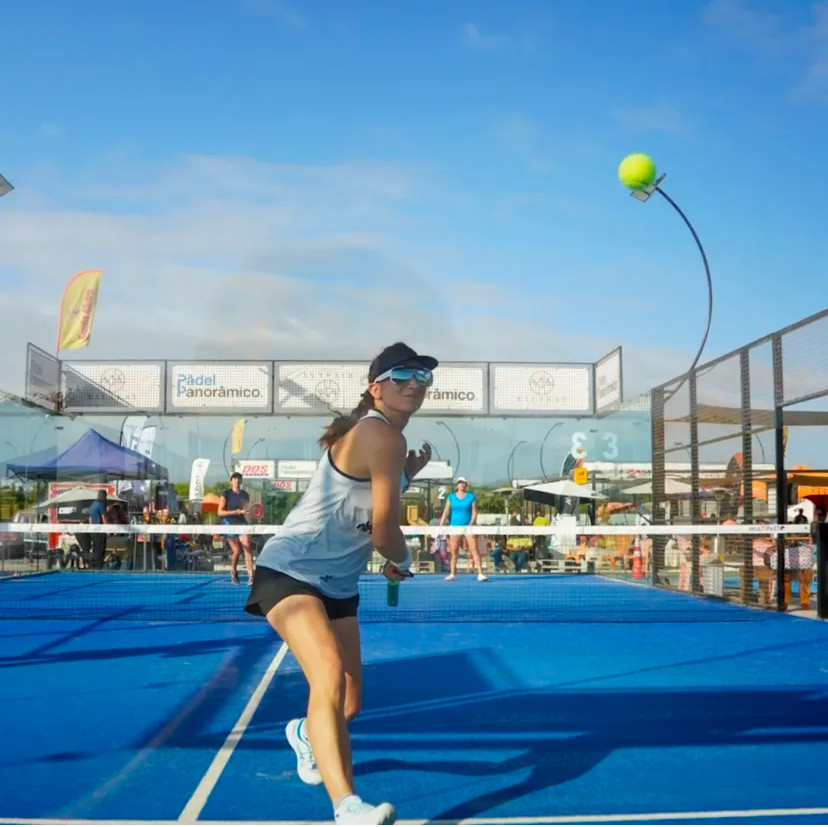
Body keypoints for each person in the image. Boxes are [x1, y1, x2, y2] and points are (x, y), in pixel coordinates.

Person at [244, 342, 437, 825]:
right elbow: (385, 533)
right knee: (327, 674)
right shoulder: (380, 435)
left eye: (422, 377)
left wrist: (407, 476)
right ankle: (347, 806)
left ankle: (305, 734)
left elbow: (366, 511)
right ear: (376, 389)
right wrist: (403, 559)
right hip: (291, 570)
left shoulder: (387, 443)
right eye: (402, 376)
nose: (414, 384)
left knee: (348, 704)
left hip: (339, 585)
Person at [440, 477, 487, 582]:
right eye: (460, 482)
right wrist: (441, 525)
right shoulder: (451, 497)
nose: (462, 484)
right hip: (454, 527)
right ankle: (452, 574)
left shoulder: (471, 497)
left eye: (464, 483)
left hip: (468, 527)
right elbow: (446, 511)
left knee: (474, 549)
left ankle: (480, 573)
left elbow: (474, 512)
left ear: (466, 485)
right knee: (454, 550)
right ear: (457, 485)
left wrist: (470, 524)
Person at [218, 472, 254, 585]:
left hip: (242, 523)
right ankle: (233, 571)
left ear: (241, 481)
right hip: (229, 524)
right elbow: (220, 512)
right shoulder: (226, 494)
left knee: (247, 546)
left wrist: (249, 512)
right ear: (231, 481)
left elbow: (246, 510)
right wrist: (236, 512)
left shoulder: (245, 495)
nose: (237, 481)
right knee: (237, 551)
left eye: (239, 479)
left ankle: (251, 576)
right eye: (234, 479)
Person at [87, 489, 109, 569]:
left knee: (95, 549)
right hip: (100, 530)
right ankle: (99, 567)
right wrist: (107, 529)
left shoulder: (92, 504)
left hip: (93, 530)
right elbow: (104, 517)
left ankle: (94, 566)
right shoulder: (101, 504)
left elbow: (90, 518)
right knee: (100, 549)